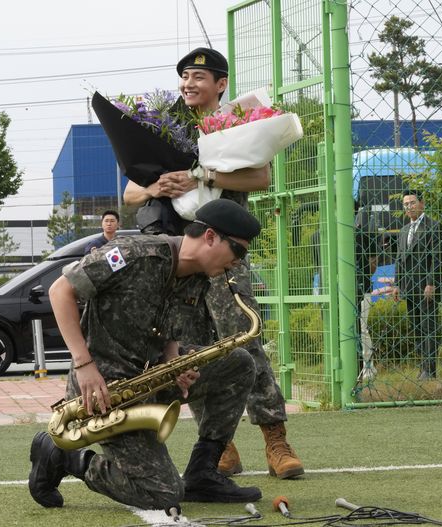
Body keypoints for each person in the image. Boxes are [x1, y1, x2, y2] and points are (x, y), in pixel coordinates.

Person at [123, 47, 304, 480]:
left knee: (244, 338)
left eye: (198, 77)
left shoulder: (240, 124)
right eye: (184, 76)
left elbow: (260, 178)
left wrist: (202, 176)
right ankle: (220, 446)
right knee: (191, 351)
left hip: (223, 253)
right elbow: (130, 194)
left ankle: (275, 439)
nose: (189, 84)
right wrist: (156, 188)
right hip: (180, 257)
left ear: (221, 84)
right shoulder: (163, 128)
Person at [28, 199, 263, 510]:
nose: (239, 263)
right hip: (103, 388)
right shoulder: (132, 253)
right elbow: (61, 291)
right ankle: (65, 456)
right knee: (162, 493)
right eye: (239, 252)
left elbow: (169, 330)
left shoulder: (199, 278)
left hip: (151, 377)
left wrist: (173, 360)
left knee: (240, 363)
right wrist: (83, 363)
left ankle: (203, 473)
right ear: (210, 237)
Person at [393, 191, 442, 380]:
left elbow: (438, 259)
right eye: (405, 204)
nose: (409, 207)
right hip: (409, 287)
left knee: (428, 327)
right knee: (416, 328)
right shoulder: (404, 230)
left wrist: (431, 283)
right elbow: (400, 260)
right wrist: (397, 284)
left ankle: (429, 371)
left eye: (412, 203)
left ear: (422, 203)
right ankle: (422, 367)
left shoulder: (434, 227)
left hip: (426, 287)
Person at [355, 205, 378, 381]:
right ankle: (359, 367)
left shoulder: (364, 235)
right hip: (358, 287)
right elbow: (372, 263)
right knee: (360, 329)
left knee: (362, 328)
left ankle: (368, 367)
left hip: (362, 289)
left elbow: (373, 263)